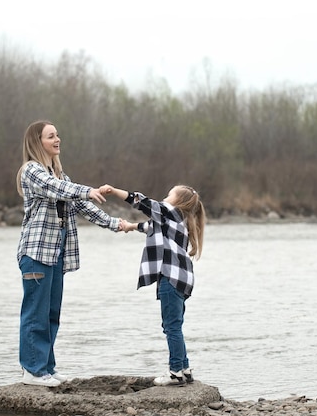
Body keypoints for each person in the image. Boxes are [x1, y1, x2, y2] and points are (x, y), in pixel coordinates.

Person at [16, 120, 127, 387]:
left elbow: (82, 205)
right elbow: (61, 190)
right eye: (51, 136)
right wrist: (87, 190)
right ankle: (32, 370)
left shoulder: (58, 174)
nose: (58, 140)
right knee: (35, 313)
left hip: (56, 255)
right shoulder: (32, 171)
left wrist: (116, 224)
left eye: (58, 135)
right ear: (37, 142)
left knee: (52, 313)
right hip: (36, 252)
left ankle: (46, 368)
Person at [99, 184, 206, 386]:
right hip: (182, 279)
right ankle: (184, 369)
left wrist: (113, 191)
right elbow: (150, 227)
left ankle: (175, 373)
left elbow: (140, 201)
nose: (165, 197)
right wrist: (130, 226)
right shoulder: (179, 219)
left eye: (169, 194)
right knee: (175, 325)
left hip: (170, 277)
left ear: (178, 201)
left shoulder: (169, 211)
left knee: (171, 327)